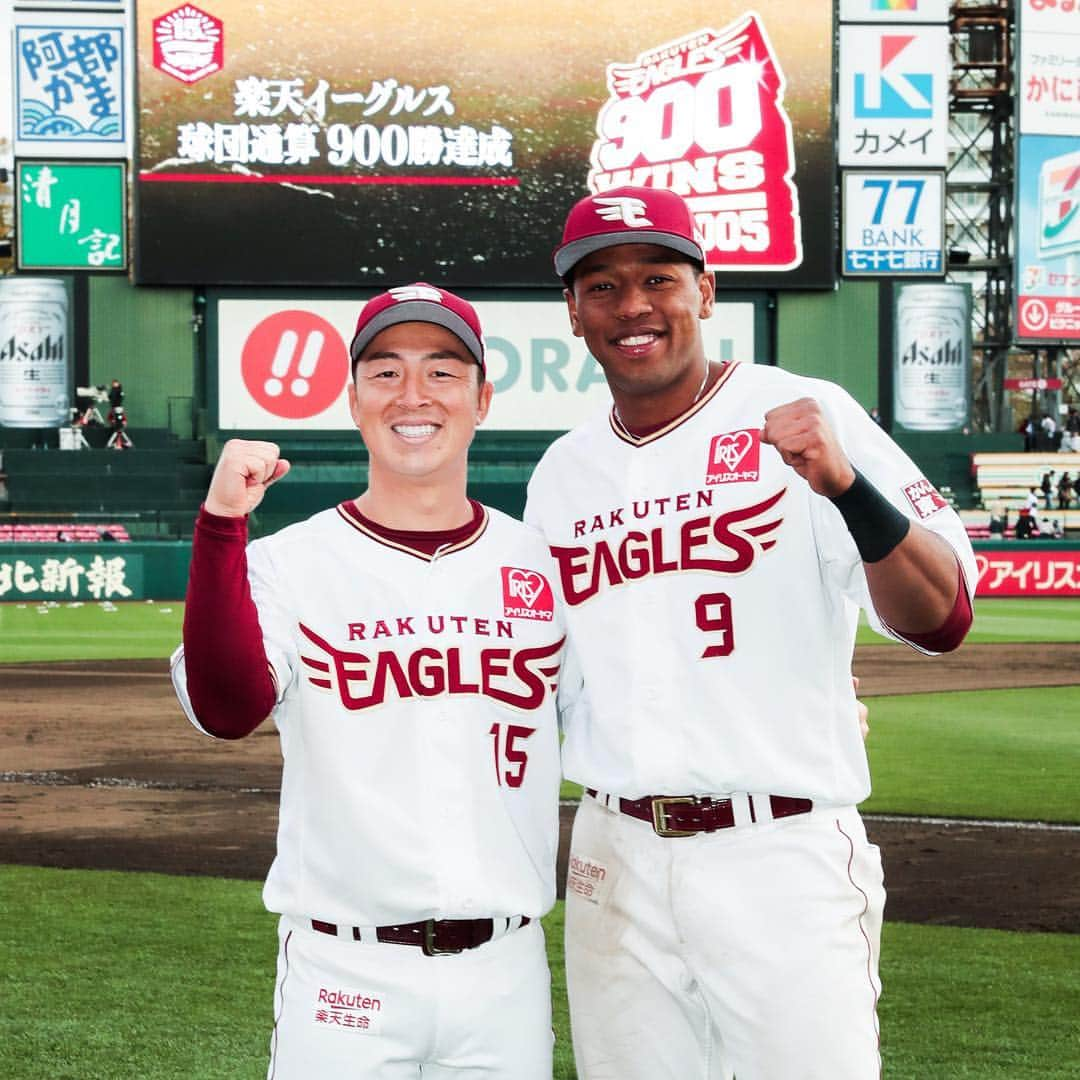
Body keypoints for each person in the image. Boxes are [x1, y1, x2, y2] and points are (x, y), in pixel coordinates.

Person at [524, 185, 978, 1080]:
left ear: (707, 289)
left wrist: (846, 487)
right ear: (573, 313)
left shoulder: (805, 410)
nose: (633, 306)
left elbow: (945, 616)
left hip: (778, 847)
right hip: (616, 853)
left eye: (658, 276)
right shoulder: (562, 475)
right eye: (603, 287)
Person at [171, 285, 568, 1079]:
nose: (412, 396)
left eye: (442, 372)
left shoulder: (541, 562)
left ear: (483, 398)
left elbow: (636, 694)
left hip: (505, 971)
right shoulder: (289, 562)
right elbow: (226, 709)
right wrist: (221, 525)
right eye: (384, 373)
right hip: (343, 974)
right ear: (353, 400)